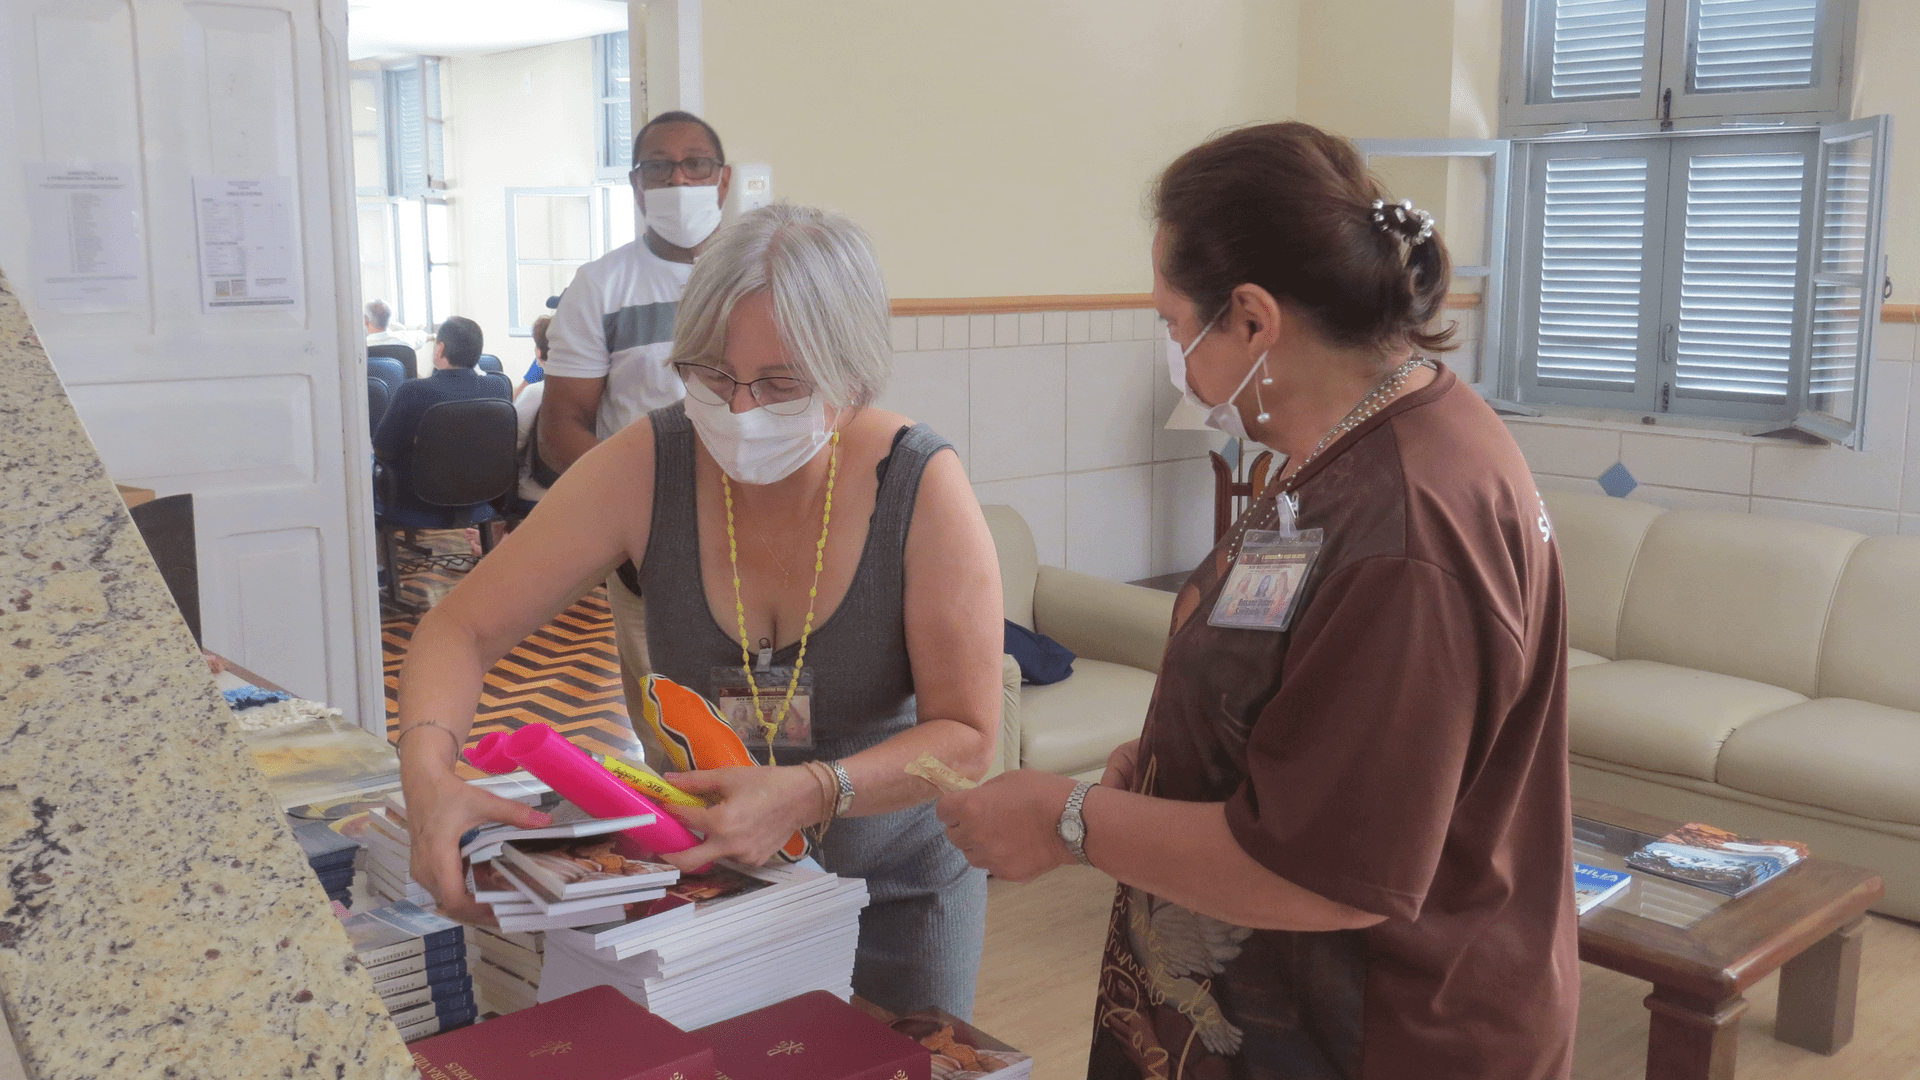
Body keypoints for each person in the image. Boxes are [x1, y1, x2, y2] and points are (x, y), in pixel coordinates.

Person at [937, 122, 1579, 1080]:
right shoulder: (1344, 447)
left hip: (1377, 1029)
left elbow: (1327, 871)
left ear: (1251, 318)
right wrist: (1173, 761)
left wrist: (1067, 821)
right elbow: (1294, 684)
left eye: (1169, 323)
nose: (1175, 356)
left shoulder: (1408, 521)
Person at [394, 203, 1004, 1020]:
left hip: (897, 888)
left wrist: (815, 789)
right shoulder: (650, 463)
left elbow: (967, 738)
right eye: (712, 374)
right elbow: (459, 627)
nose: (741, 410)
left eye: (782, 384)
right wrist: (429, 776)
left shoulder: (918, 484)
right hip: (711, 886)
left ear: (852, 375)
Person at [540, 109, 732, 716]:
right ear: (636, 184)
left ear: (722, 180)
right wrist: (640, 508)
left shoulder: (767, 272)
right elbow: (561, 428)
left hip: (767, 533)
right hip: (651, 547)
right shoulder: (600, 286)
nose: (678, 181)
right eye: (659, 167)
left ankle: (775, 811)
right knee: (673, 728)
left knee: (771, 720)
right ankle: (682, 815)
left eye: (695, 164)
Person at [373, 316, 511, 525]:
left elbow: (383, 448)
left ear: (440, 349)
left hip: (416, 504)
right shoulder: (498, 388)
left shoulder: (412, 391)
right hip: (481, 500)